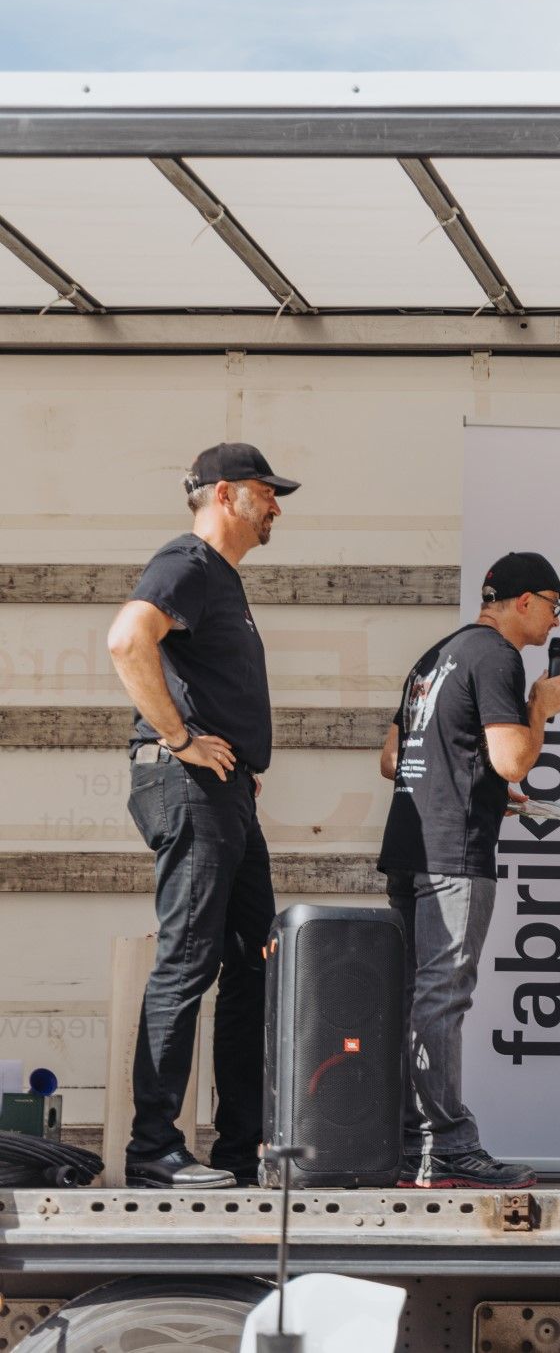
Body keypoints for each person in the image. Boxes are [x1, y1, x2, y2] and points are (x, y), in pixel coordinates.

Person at [107, 443, 298, 1188]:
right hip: (187, 788)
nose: (277, 504)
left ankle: (241, 1148)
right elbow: (128, 639)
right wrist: (179, 738)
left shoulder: (219, 580)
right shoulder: (186, 560)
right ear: (225, 493)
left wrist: (238, 766)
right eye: (266, 490)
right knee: (188, 960)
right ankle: (154, 1148)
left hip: (226, 794)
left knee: (256, 960)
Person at [377, 551, 560, 1189]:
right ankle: (446, 1149)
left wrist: (486, 791)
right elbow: (513, 756)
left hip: (410, 846)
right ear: (523, 602)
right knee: (442, 996)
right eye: (553, 603)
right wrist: (539, 707)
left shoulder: (435, 654)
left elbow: (391, 759)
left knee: (417, 996)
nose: (554, 617)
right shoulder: (498, 656)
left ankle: (413, 1145)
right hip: (452, 855)